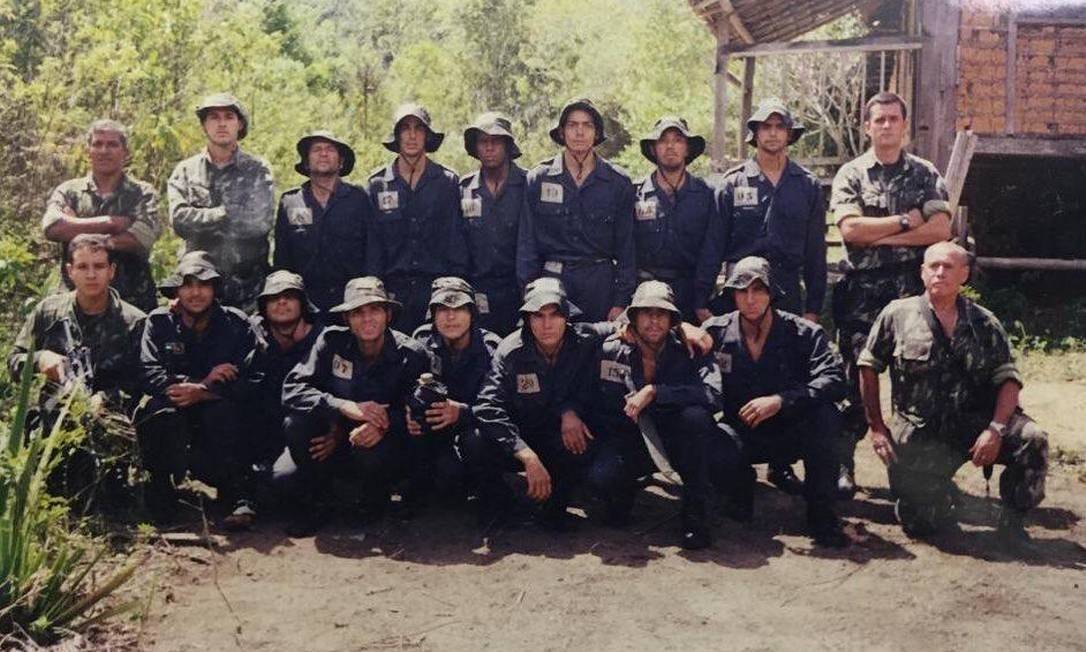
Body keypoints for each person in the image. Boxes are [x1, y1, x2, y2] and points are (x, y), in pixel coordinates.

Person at [857, 242, 1047, 547]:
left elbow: (1009, 379)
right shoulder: (897, 315)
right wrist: (877, 427)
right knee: (922, 525)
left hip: (974, 425)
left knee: (1032, 438)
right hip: (922, 433)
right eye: (933, 266)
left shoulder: (984, 323)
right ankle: (939, 494)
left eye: (949, 267)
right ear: (922, 273)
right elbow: (868, 366)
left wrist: (995, 429)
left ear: (964, 274)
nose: (940, 273)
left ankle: (1013, 521)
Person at [831, 91, 952, 497]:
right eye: (878, 119)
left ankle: (912, 468)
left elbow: (940, 231)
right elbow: (850, 232)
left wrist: (877, 234)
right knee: (851, 377)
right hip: (861, 295)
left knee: (913, 379)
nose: (885, 126)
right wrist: (905, 220)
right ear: (867, 127)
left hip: (911, 294)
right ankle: (843, 464)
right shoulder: (852, 174)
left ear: (904, 125)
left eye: (893, 119)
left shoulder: (924, 173)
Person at [715, 98, 828, 494]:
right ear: (755, 134)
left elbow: (816, 252)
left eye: (780, 126)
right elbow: (714, 246)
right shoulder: (731, 184)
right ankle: (737, 452)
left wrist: (814, 307)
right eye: (766, 126)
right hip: (743, 288)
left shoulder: (808, 185)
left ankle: (782, 463)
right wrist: (701, 300)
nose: (773, 133)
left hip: (786, 287)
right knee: (741, 368)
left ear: (789, 134)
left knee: (788, 372)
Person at [703, 257, 848, 548]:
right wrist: (686, 330)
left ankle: (822, 515)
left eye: (758, 290)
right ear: (732, 295)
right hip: (741, 430)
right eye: (742, 291)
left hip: (791, 429)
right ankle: (738, 493)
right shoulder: (714, 332)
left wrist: (781, 400)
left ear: (772, 294)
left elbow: (834, 379)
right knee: (709, 435)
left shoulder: (803, 333)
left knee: (826, 417)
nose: (750, 299)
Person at [585, 281, 732, 549]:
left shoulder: (690, 348)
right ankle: (624, 494)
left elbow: (713, 394)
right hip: (631, 442)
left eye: (661, 314)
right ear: (633, 317)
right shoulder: (611, 347)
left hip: (679, 441)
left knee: (697, 420)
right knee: (603, 478)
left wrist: (656, 391)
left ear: (673, 319)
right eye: (646, 313)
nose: (654, 322)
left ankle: (695, 515)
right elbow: (577, 332)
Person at [279, 277, 431, 537]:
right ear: (346, 319)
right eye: (358, 312)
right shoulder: (330, 342)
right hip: (334, 434)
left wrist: (384, 425)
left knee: (373, 453)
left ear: (388, 315)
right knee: (285, 468)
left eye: (374, 310)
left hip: (384, 443)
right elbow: (292, 389)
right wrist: (341, 407)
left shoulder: (412, 354)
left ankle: (374, 499)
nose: (367, 318)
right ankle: (321, 502)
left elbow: (419, 414)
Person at [461, 278, 613, 531]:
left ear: (566, 317)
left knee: (583, 441)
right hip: (518, 440)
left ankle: (557, 504)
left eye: (554, 315)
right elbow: (487, 406)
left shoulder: (585, 337)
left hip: (558, 437)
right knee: (473, 440)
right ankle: (500, 501)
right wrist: (525, 454)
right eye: (537, 316)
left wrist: (686, 328)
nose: (546, 325)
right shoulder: (510, 351)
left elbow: (625, 325)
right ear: (527, 319)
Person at [9, 234, 146, 502]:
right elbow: (14, 362)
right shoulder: (48, 312)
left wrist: (107, 398)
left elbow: (143, 380)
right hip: (55, 419)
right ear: (70, 271)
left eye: (99, 266)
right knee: (56, 492)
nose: (91, 275)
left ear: (112, 271)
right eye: (83, 267)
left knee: (109, 498)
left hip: (111, 423)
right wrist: (40, 359)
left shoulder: (134, 321)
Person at [136, 251, 258, 527]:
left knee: (228, 411)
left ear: (214, 288)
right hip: (176, 408)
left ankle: (239, 494)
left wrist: (205, 392)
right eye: (188, 285)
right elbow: (149, 372)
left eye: (203, 285)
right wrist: (200, 382)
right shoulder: (158, 322)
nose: (196, 293)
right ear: (177, 290)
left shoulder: (236, 323)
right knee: (156, 412)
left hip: (218, 413)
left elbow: (253, 377)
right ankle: (163, 490)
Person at [517, 98, 636, 322]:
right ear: (562, 132)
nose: (579, 132)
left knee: (598, 351)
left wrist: (620, 301)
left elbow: (627, 249)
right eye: (572, 125)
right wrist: (529, 294)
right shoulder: (539, 178)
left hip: (600, 285)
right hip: (552, 283)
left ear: (596, 133)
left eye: (587, 125)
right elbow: (527, 244)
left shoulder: (617, 182)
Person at [168, 92, 275, 313]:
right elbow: (179, 221)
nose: (222, 123)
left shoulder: (257, 169)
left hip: (248, 290)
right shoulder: (186, 171)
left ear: (240, 124)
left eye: (229, 117)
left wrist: (201, 220)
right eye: (214, 117)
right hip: (197, 289)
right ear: (204, 125)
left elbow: (260, 223)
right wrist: (223, 214)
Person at [365, 103, 468, 333]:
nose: (412, 136)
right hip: (392, 293)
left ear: (427, 136)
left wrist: (452, 295)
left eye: (418, 129)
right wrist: (376, 296)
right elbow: (373, 248)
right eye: (405, 128)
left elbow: (455, 242)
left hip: (435, 292)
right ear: (397, 135)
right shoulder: (377, 184)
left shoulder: (446, 181)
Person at [405, 277, 503, 514]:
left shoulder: (491, 347)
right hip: (437, 431)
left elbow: (503, 407)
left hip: (475, 426)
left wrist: (462, 412)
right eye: (443, 309)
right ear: (432, 314)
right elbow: (405, 384)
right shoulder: (421, 340)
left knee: (477, 441)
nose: (451, 317)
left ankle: (490, 495)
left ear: (472, 312)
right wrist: (408, 408)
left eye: (459, 309)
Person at [42, 119, 161, 311]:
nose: (104, 151)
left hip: (132, 301)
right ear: (88, 150)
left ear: (125, 151)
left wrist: (77, 229)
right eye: (97, 144)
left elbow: (142, 237)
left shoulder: (142, 193)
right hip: (74, 303)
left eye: (112, 144)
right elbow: (52, 227)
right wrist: (109, 223)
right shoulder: (69, 191)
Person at [631, 117, 721, 324]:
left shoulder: (707, 194)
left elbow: (712, 252)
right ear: (653, 149)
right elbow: (626, 251)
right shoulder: (635, 194)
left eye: (678, 140)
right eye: (663, 141)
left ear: (687, 148)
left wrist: (701, 300)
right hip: (646, 294)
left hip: (691, 294)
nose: (670, 146)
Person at [274, 131, 370, 312]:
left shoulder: (358, 199)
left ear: (341, 161)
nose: (323, 153)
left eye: (330, 149)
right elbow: (282, 260)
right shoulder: (290, 201)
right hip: (304, 304)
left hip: (351, 302)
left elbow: (373, 252)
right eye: (317, 149)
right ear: (306, 161)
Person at [244, 271, 322, 482]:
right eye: (274, 298)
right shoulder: (250, 335)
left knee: (285, 480)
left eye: (290, 296)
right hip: (262, 430)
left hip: (305, 431)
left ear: (303, 303)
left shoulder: (322, 339)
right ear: (264, 306)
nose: (282, 302)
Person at [459, 112, 528, 335]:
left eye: (495, 141)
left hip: (519, 290)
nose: (489, 148)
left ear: (507, 145)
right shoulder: (463, 189)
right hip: (479, 290)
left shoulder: (529, 184)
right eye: (483, 141)